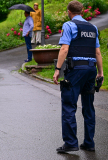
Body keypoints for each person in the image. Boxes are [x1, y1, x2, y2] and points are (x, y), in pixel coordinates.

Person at [53, 1, 103, 153]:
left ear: (69, 11)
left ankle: (70, 143)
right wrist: (100, 73)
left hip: (75, 71)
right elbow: (97, 53)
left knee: (69, 105)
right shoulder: (93, 28)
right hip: (90, 70)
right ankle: (89, 143)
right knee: (88, 107)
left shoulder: (69, 25)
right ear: (82, 11)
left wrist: (57, 69)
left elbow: (64, 48)